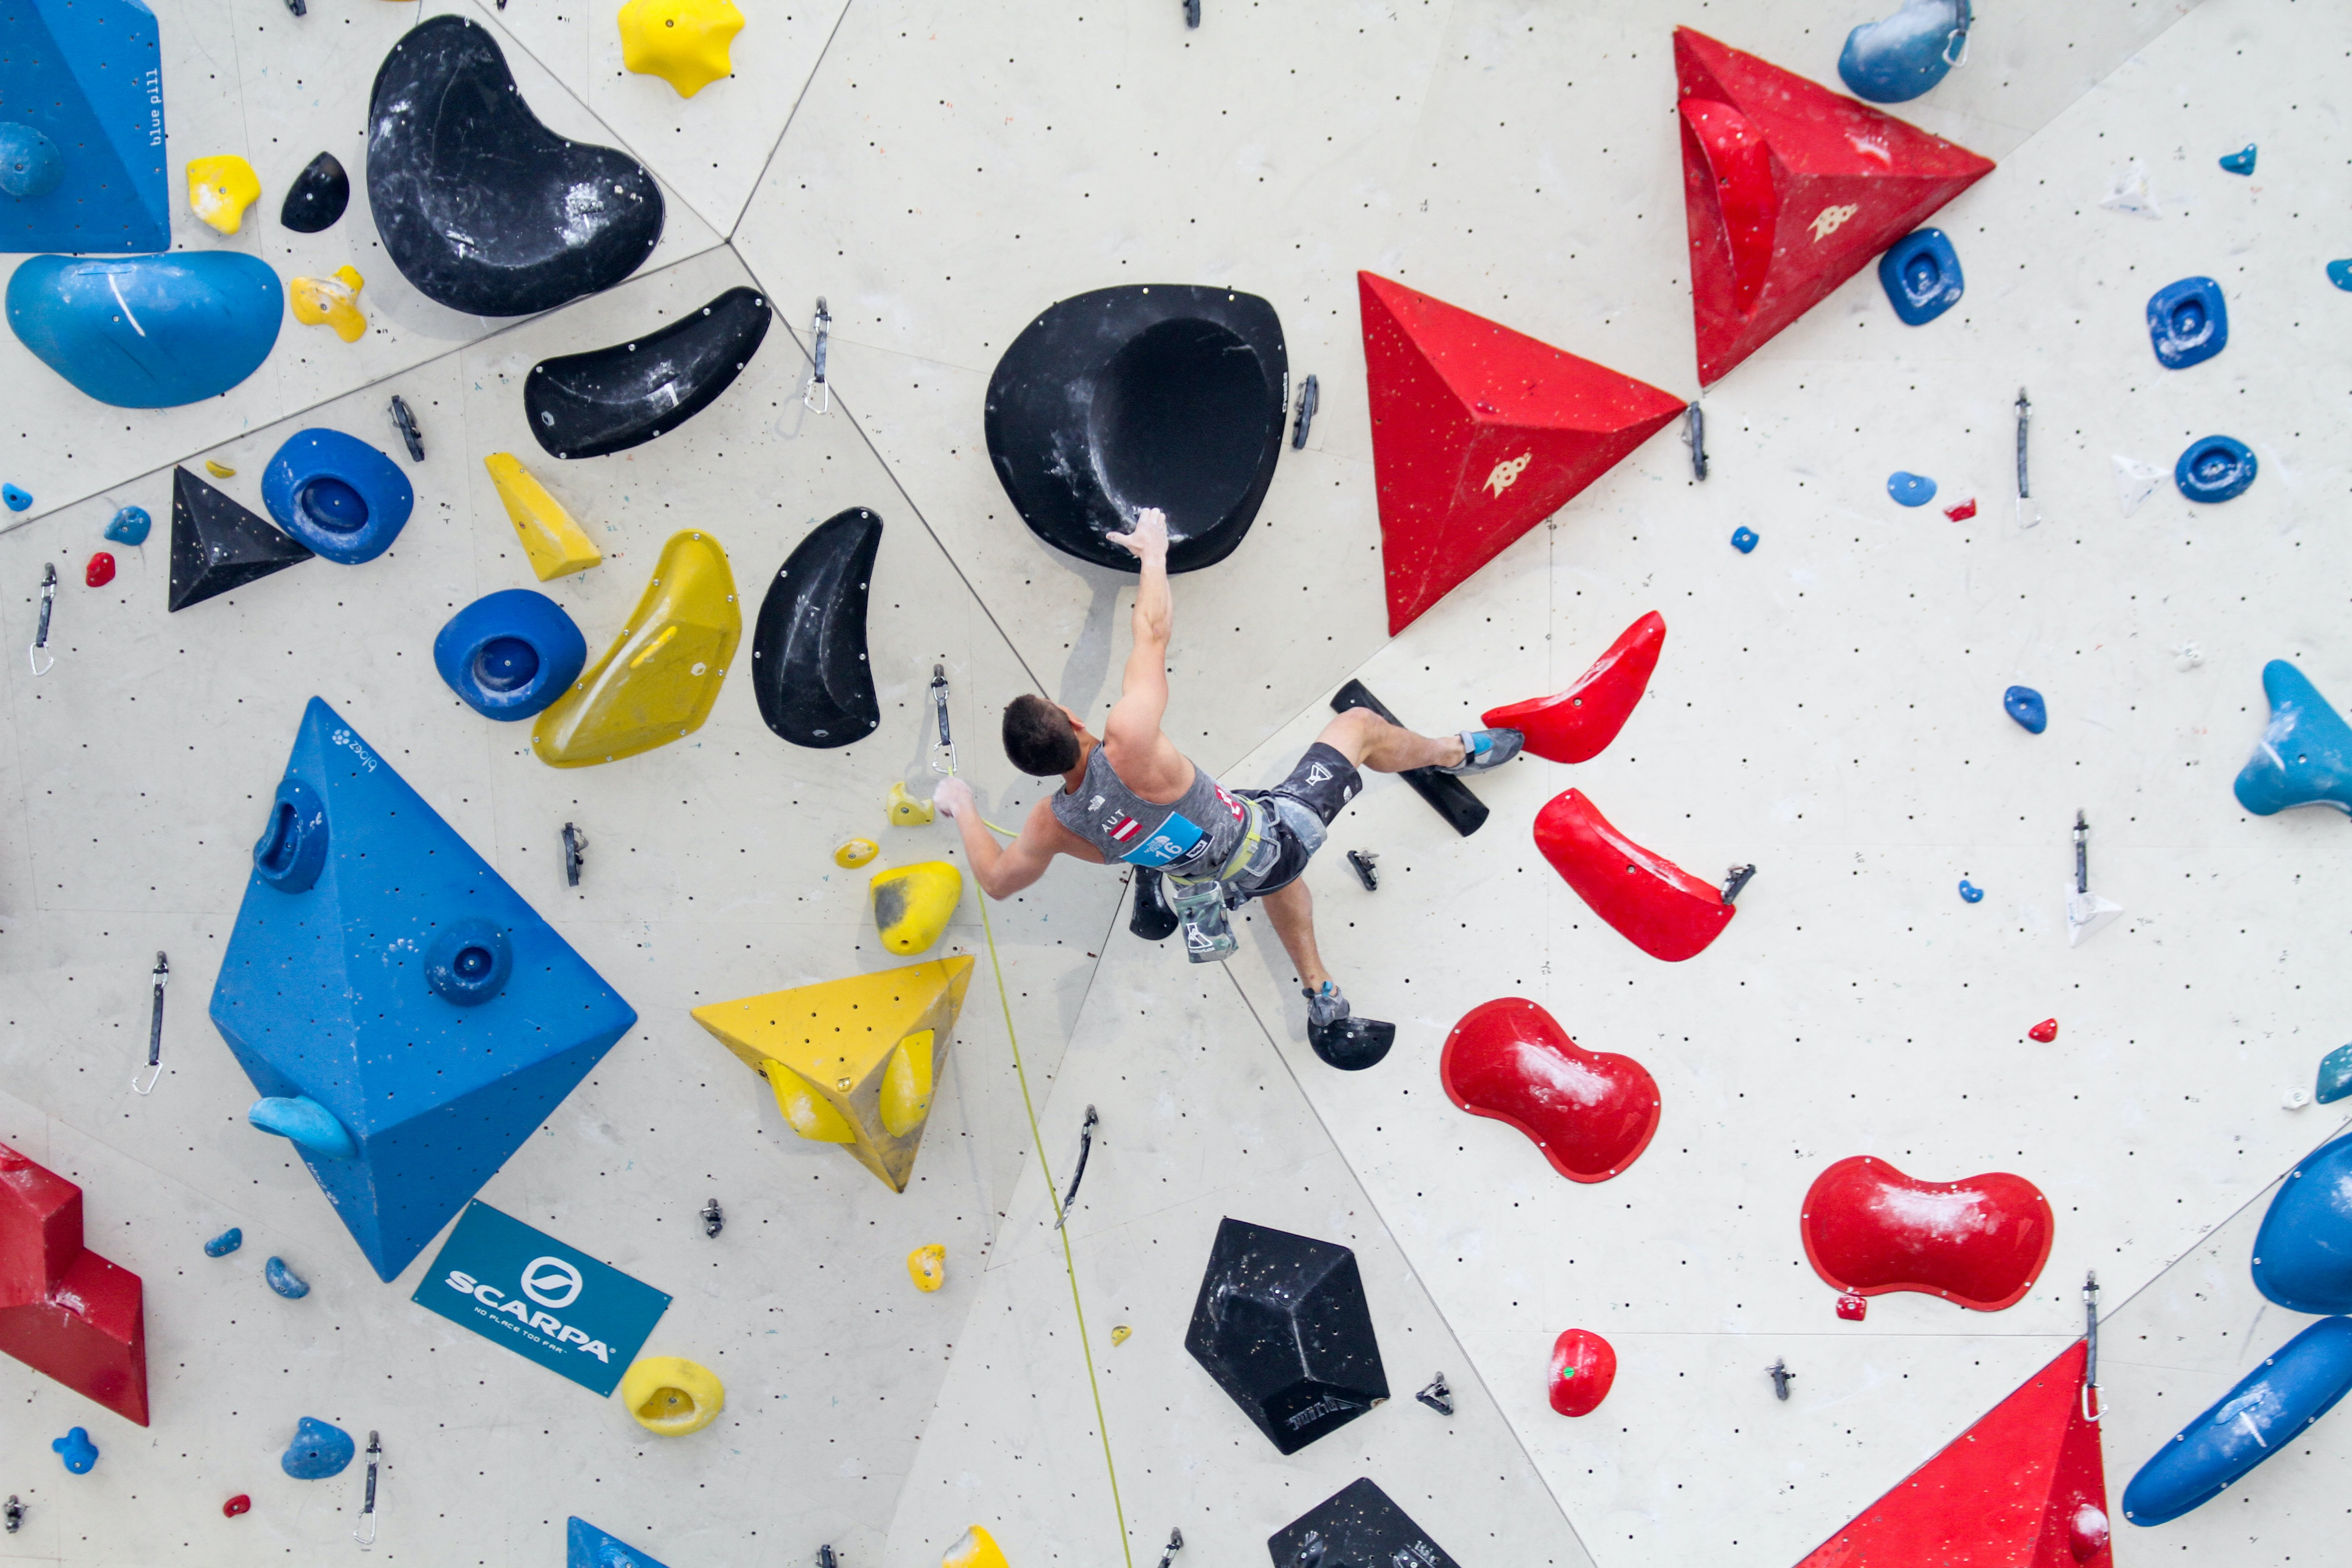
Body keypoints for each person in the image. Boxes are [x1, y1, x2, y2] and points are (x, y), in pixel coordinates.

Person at [932, 507, 1523, 1068]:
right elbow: (1153, 633)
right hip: (1270, 836)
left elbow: (997, 882)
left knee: (1256, 864)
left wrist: (962, 805)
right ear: (1073, 718)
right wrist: (1153, 555)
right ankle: (1452, 754)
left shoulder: (1052, 823)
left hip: (1208, 880)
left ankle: (1321, 994)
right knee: (1359, 729)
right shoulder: (1130, 738)